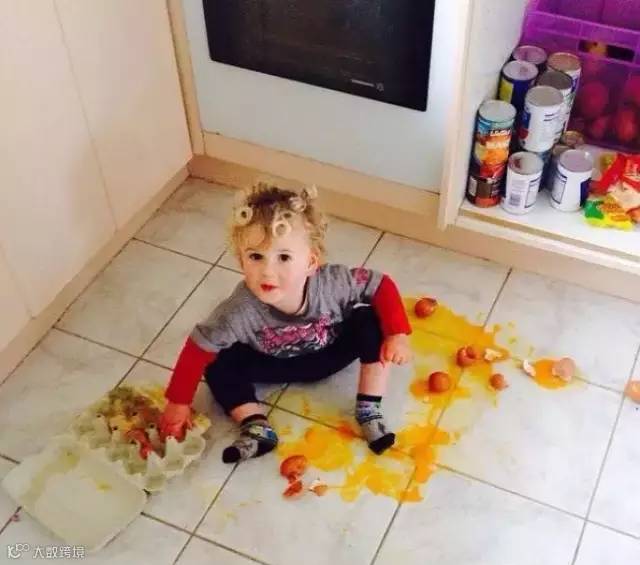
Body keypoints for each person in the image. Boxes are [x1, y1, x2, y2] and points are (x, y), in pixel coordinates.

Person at [159, 182, 412, 463]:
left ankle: (368, 410)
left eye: (284, 257)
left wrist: (397, 334)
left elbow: (380, 285)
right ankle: (256, 425)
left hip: (328, 354)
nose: (268, 271)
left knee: (371, 320)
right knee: (216, 362)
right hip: (271, 364)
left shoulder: (333, 284)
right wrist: (178, 403)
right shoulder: (238, 310)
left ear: (311, 262)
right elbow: (198, 348)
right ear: (241, 261)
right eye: (256, 256)